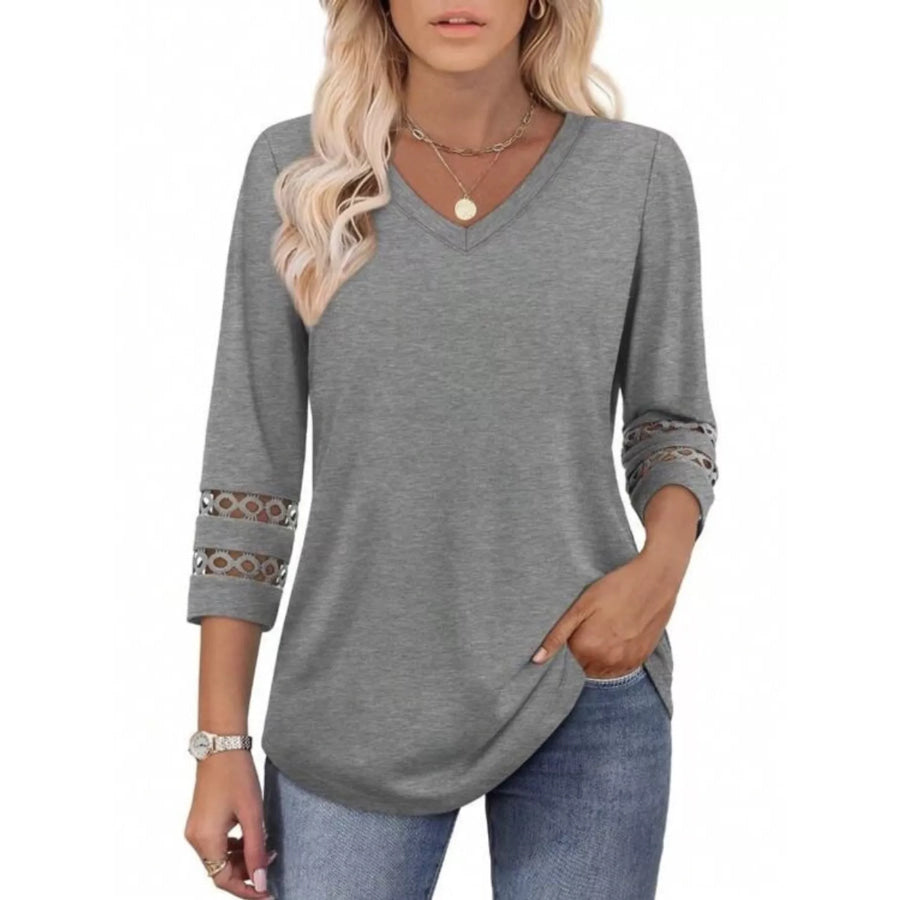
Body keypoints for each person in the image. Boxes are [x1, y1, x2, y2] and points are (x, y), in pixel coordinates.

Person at [182, 1, 719, 897]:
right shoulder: (297, 171)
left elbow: (672, 422)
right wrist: (219, 740)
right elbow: (252, 471)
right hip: (352, 704)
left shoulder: (637, 173)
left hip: (583, 685)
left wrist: (658, 575)